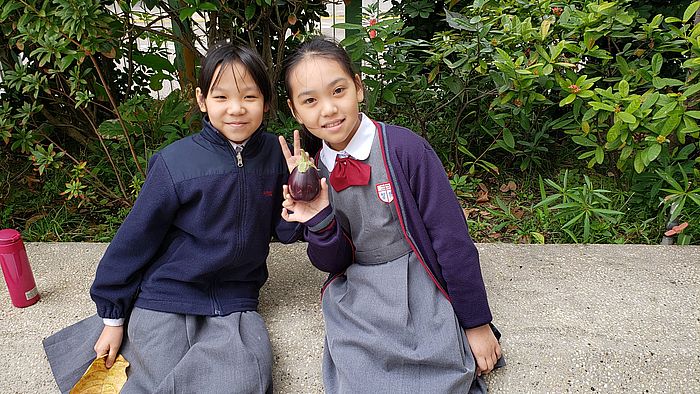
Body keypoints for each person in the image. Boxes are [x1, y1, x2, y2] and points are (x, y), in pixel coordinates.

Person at [43, 41, 302, 393]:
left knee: (246, 377)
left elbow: (285, 230)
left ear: (267, 102)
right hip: (167, 293)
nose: (236, 109)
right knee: (152, 376)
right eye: (221, 97)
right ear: (201, 100)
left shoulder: (277, 154)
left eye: (250, 98)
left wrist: (298, 204)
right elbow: (135, 238)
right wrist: (113, 317)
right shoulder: (175, 161)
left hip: (235, 299)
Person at [278, 37, 504, 393]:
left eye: (338, 91)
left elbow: (451, 239)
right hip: (360, 291)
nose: (328, 109)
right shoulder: (313, 173)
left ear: (358, 87)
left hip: (419, 276)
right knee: (357, 371)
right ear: (295, 111)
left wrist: (477, 323)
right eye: (310, 100)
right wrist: (317, 216)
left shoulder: (404, 149)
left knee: (443, 364)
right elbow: (332, 261)